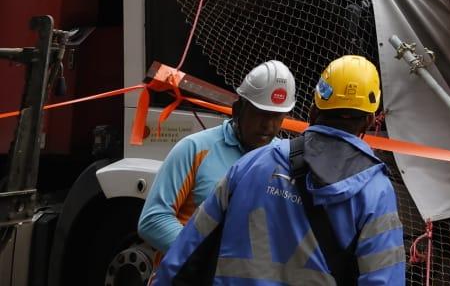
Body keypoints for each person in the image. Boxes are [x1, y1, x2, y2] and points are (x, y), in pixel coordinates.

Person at [153, 55, 405, 285]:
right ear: (371, 119)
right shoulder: (375, 191)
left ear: (313, 110)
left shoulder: (252, 163)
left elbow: (185, 253)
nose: (268, 125)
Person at [138, 61, 296, 254]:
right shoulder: (193, 149)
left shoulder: (284, 158)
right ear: (238, 109)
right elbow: (153, 220)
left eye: (277, 117)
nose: (268, 126)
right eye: (260, 114)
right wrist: (207, 257)